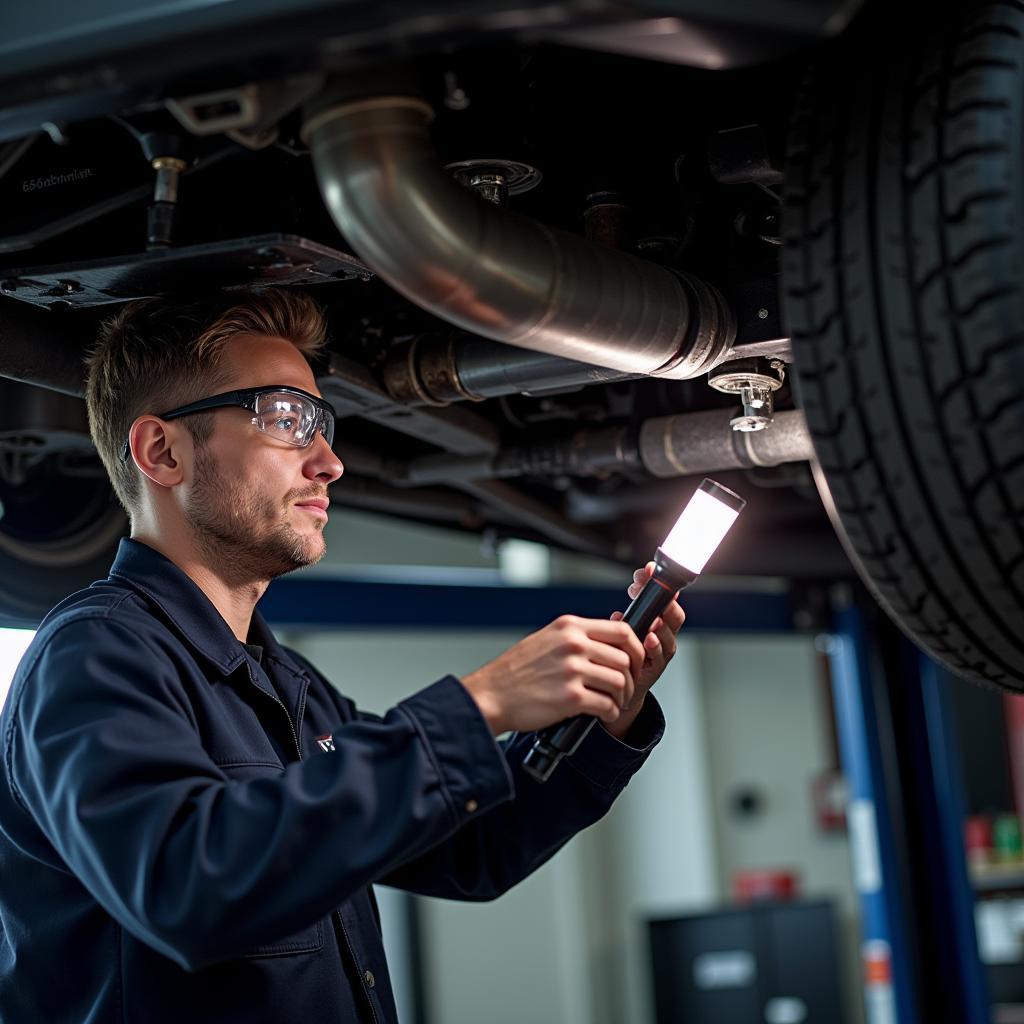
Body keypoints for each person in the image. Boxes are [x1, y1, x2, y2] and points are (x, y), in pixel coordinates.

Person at [0, 290, 684, 1023]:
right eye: (287, 420)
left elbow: (473, 846)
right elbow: (186, 885)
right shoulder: (95, 653)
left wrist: (604, 714)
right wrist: (482, 703)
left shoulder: (288, 686)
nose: (330, 463)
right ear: (163, 452)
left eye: (323, 426)